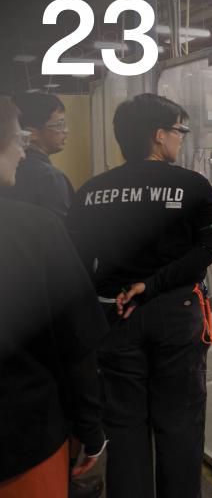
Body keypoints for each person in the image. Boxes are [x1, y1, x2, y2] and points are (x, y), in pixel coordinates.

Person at [67, 93, 212, 498]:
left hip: (115, 317)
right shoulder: (194, 187)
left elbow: (78, 263)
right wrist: (154, 285)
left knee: (123, 426)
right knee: (179, 425)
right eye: (178, 131)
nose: (180, 139)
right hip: (176, 316)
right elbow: (211, 249)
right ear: (159, 136)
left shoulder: (90, 192)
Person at [0, 95, 108, 497]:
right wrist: (90, 427)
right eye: (16, 139)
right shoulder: (36, 228)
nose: (22, 152)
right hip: (23, 434)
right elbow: (74, 341)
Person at [0, 93, 74, 220]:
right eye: (59, 124)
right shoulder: (49, 176)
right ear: (32, 133)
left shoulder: (9, 171)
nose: (65, 130)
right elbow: (61, 229)